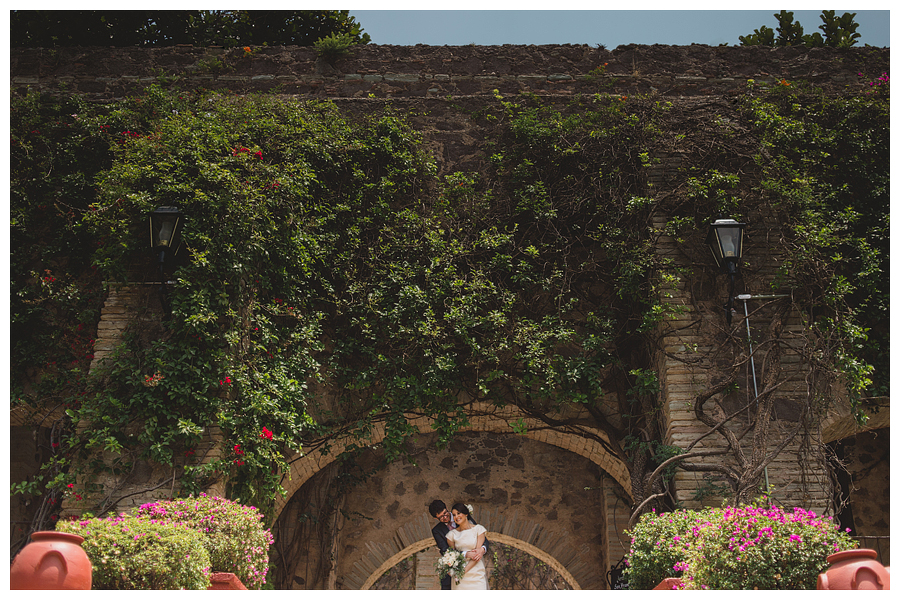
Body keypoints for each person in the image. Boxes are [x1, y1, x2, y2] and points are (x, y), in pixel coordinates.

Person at [429, 500, 489, 590]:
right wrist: (466, 554)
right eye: (441, 517)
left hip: (475, 569)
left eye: (446, 513)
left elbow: (482, 538)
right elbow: (446, 551)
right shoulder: (437, 531)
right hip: (456, 572)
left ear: (447, 508)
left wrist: (482, 550)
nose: (445, 517)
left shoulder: (463, 517)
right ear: (436, 518)